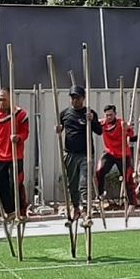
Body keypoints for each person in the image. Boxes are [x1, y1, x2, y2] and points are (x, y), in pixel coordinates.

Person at [56, 85, 102, 221]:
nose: (75, 100)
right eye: (72, 98)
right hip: (69, 154)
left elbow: (99, 131)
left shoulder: (89, 113)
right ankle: (75, 208)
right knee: (72, 183)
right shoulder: (64, 114)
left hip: (85, 154)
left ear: (83, 98)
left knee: (84, 182)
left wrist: (92, 120)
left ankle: (87, 209)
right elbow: (60, 127)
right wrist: (58, 129)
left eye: (77, 98)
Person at [0, 88, 29, 221]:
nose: (2, 102)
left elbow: (25, 132)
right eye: (0, 99)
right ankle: (8, 211)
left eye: (4, 99)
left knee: (15, 183)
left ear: (11, 98)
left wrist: (18, 137)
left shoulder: (21, 114)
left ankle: (20, 211)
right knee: (0, 184)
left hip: (15, 155)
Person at [96, 104, 136, 216]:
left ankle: (132, 203)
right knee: (99, 170)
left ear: (115, 114)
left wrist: (128, 128)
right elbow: (94, 125)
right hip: (110, 152)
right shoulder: (102, 123)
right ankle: (100, 194)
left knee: (128, 178)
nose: (109, 117)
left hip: (123, 154)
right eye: (107, 115)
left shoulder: (121, 124)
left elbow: (132, 135)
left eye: (111, 115)